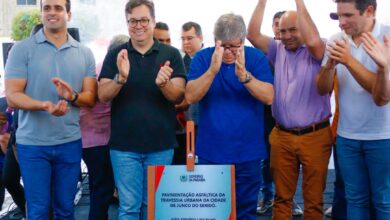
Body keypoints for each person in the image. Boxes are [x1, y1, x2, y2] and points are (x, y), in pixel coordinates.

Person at [4, 0, 97, 219]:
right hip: (32, 145)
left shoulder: (84, 53)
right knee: (38, 211)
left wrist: (72, 96)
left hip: (69, 142)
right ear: (41, 13)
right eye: (47, 8)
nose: (51, 12)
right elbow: (12, 95)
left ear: (69, 14)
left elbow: (90, 98)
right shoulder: (22, 49)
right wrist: (43, 105)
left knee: (65, 209)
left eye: (58, 8)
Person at [97, 0, 186, 219]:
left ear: (153, 21)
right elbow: (103, 95)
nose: (138, 25)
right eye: (133, 21)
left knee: (153, 209)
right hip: (124, 148)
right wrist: (121, 78)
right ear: (127, 23)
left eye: (144, 20)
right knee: (128, 208)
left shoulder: (171, 54)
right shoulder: (117, 54)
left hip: (160, 146)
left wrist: (165, 84)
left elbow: (179, 96)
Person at [247, 0, 332, 219]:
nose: (286, 35)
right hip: (282, 135)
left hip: (315, 136)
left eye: (293, 29)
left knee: (313, 202)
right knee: (282, 199)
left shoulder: (319, 48)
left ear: (303, 27)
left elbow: (312, 39)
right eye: (282, 31)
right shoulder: (278, 49)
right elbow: (253, 35)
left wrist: (299, 2)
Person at [186, 13, 274, 219]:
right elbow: (190, 96)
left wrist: (245, 77)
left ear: (243, 40)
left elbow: (269, 97)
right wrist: (212, 70)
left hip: (248, 152)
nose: (227, 52)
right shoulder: (203, 57)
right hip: (211, 153)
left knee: (246, 212)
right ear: (215, 41)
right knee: (213, 213)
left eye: (233, 47)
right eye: (222, 46)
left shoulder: (256, 58)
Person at [317, 0, 390, 219]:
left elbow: (382, 97)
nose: (341, 23)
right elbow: (322, 89)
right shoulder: (336, 40)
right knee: (354, 200)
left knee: (383, 202)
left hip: (383, 137)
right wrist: (329, 66)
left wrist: (348, 61)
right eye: (338, 16)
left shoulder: (386, 37)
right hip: (346, 137)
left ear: (369, 11)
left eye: (347, 16)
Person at [80, 35, 129, 220]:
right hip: (101, 138)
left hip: (87, 137)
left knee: (98, 188)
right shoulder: (113, 72)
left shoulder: (96, 67)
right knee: (103, 190)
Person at [171, 21, 204, 165]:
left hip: (206, 121)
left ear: (200, 37)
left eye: (189, 38)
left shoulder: (210, 59)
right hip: (183, 124)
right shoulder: (178, 61)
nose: (185, 42)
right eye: (183, 39)